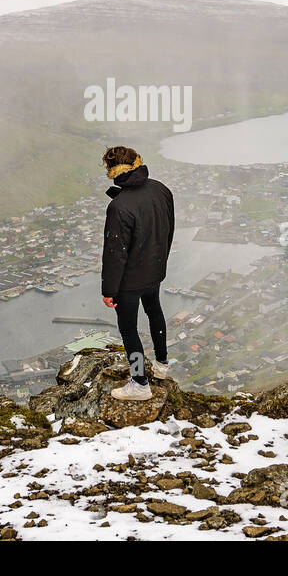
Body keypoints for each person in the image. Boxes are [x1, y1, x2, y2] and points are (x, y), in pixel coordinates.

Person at [99, 146, 175, 401]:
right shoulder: (161, 189)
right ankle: (162, 365)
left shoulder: (120, 206)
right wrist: (161, 259)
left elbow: (115, 253)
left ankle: (140, 382)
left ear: (112, 171)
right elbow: (169, 230)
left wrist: (109, 290)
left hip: (130, 280)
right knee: (155, 311)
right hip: (155, 269)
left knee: (129, 329)